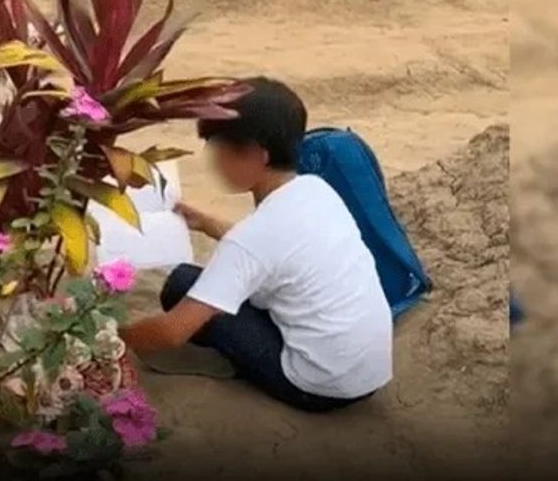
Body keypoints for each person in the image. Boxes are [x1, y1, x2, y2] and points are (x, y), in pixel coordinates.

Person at [119, 76, 393, 413]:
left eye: (217, 148)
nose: (213, 160)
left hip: (317, 388)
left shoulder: (250, 238)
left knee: (182, 284)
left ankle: (236, 363)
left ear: (255, 154)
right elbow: (272, 250)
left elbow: (173, 332)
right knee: (214, 284)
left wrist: (115, 338)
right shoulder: (315, 190)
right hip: (369, 373)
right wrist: (205, 223)